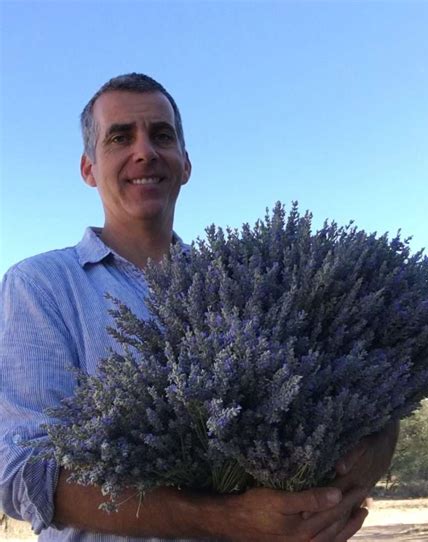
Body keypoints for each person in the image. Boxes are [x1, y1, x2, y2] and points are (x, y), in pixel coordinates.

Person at [0, 73, 398, 542]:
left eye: (162, 135)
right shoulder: (41, 286)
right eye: (120, 137)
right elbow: (21, 473)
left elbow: (371, 390)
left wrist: (364, 464)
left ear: (185, 164)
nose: (144, 151)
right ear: (89, 168)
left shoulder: (250, 283)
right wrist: (227, 519)